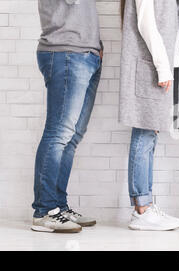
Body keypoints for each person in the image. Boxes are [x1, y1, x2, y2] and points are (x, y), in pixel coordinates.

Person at [31, 0, 103, 233]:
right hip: (66, 51)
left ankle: (58, 207)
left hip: (85, 52)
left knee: (71, 138)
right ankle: (44, 211)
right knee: (58, 134)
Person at [119, 0, 179, 231]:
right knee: (144, 132)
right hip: (153, 66)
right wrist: (163, 67)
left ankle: (145, 204)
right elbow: (146, 23)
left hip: (161, 65)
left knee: (150, 133)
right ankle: (142, 209)